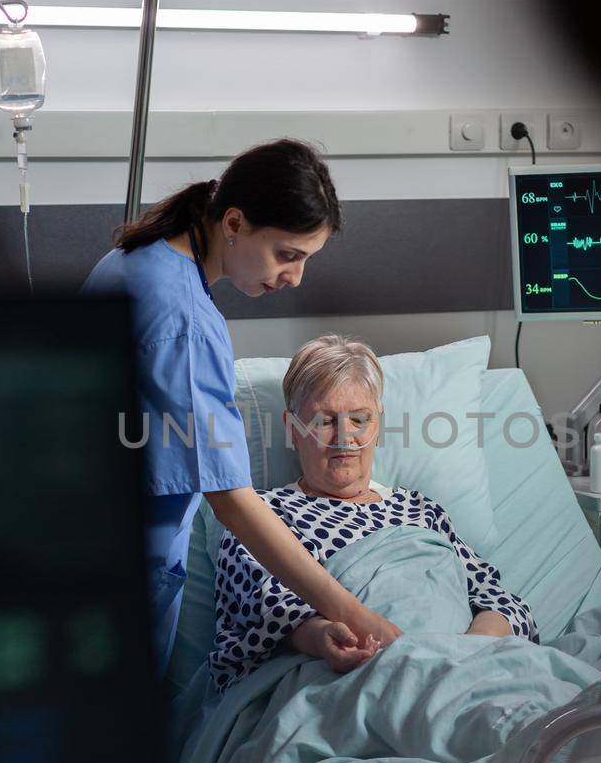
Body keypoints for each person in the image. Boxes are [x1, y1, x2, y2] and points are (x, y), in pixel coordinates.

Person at [83, 141, 400, 674]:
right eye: (287, 254)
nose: (295, 277)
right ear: (234, 222)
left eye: (305, 259)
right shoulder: (183, 319)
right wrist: (354, 613)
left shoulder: (139, 259)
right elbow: (230, 498)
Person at [210, 334, 537, 690]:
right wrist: (321, 637)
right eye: (325, 421)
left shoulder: (421, 510)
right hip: (357, 676)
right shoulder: (263, 515)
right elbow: (265, 612)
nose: (344, 438)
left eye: (359, 420)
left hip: (469, 670)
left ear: (378, 423)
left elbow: (500, 601)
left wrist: (468, 655)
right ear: (293, 429)